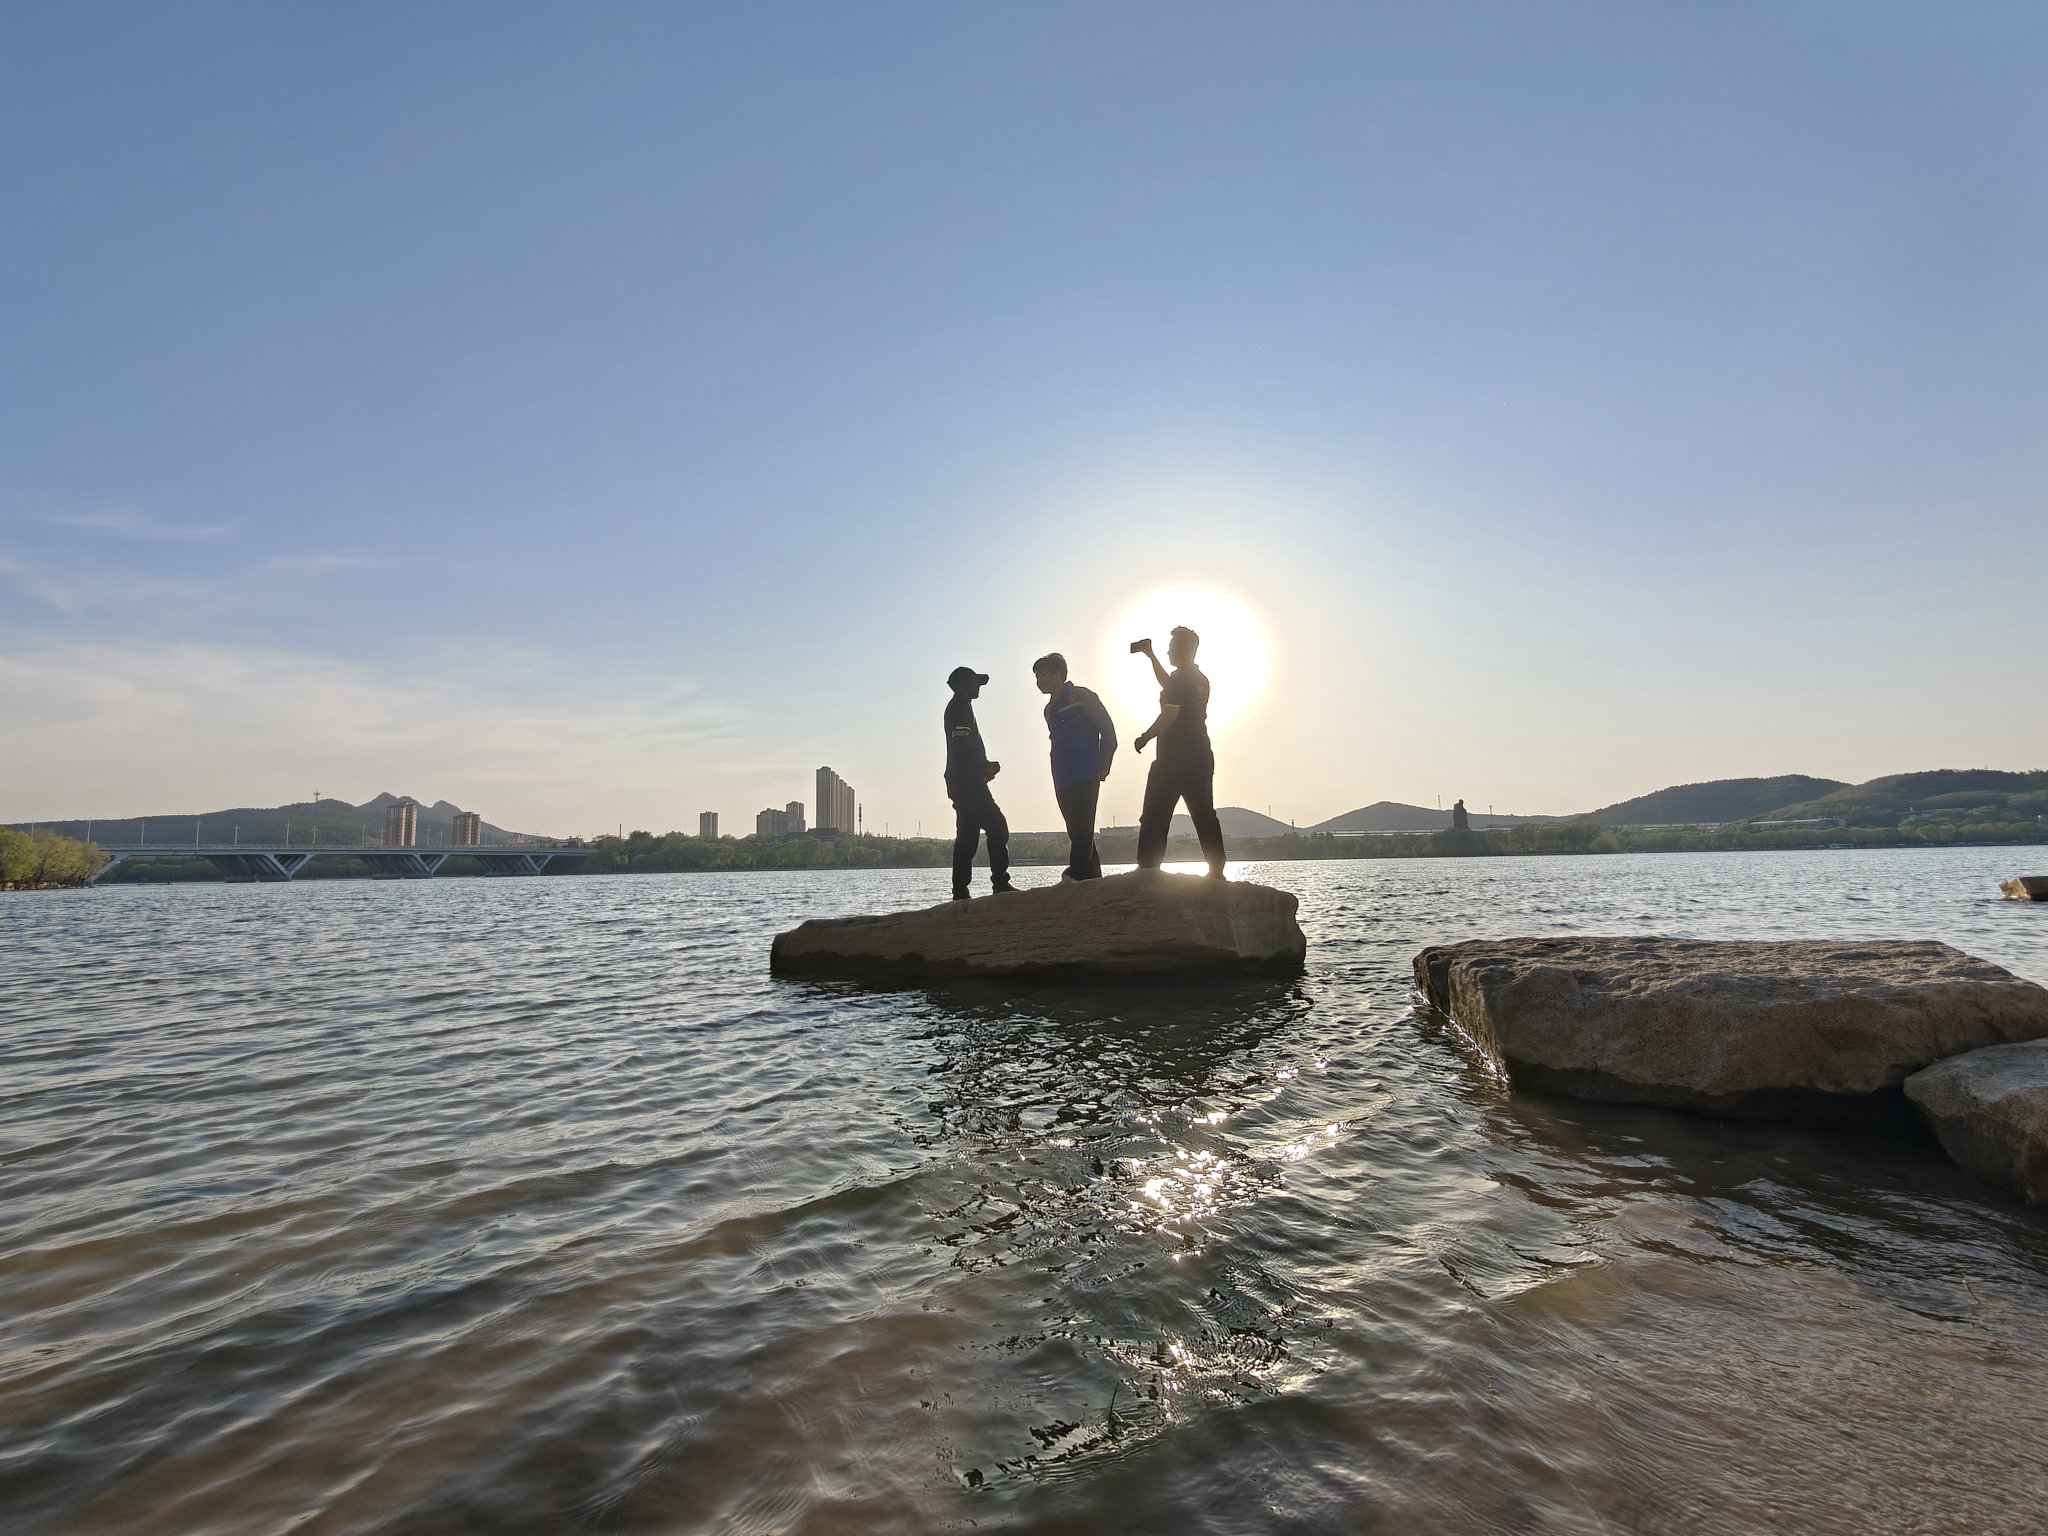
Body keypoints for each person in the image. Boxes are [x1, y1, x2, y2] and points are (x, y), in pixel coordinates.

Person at [1131, 626, 1225, 877]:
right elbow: (1169, 685)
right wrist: (1151, 657)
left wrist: (1146, 736)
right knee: (1204, 814)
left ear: (1184, 649)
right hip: (1200, 756)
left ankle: (1147, 870)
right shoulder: (1199, 680)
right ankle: (1217, 870)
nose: (1168, 650)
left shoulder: (1179, 680)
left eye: (1171, 647)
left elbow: (1170, 713)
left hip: (1173, 759)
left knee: (1154, 816)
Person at [1032, 652, 1117, 882]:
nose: (1039, 681)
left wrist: (1104, 764)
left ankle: (1076, 875)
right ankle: (1094, 879)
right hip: (1062, 777)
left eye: (1043, 675)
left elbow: (1107, 730)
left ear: (1059, 674)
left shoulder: (1083, 697)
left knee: (1083, 827)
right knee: (1076, 831)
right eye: (1036, 676)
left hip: (1086, 771)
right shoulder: (1049, 710)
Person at [943, 665, 1013, 900]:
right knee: (997, 825)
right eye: (976, 682)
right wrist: (984, 766)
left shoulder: (960, 707)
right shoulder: (960, 708)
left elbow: (962, 747)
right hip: (967, 781)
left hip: (960, 780)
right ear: (962, 683)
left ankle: (960, 892)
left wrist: (982, 768)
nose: (979, 687)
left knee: (968, 836)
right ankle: (1000, 884)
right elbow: (962, 744)